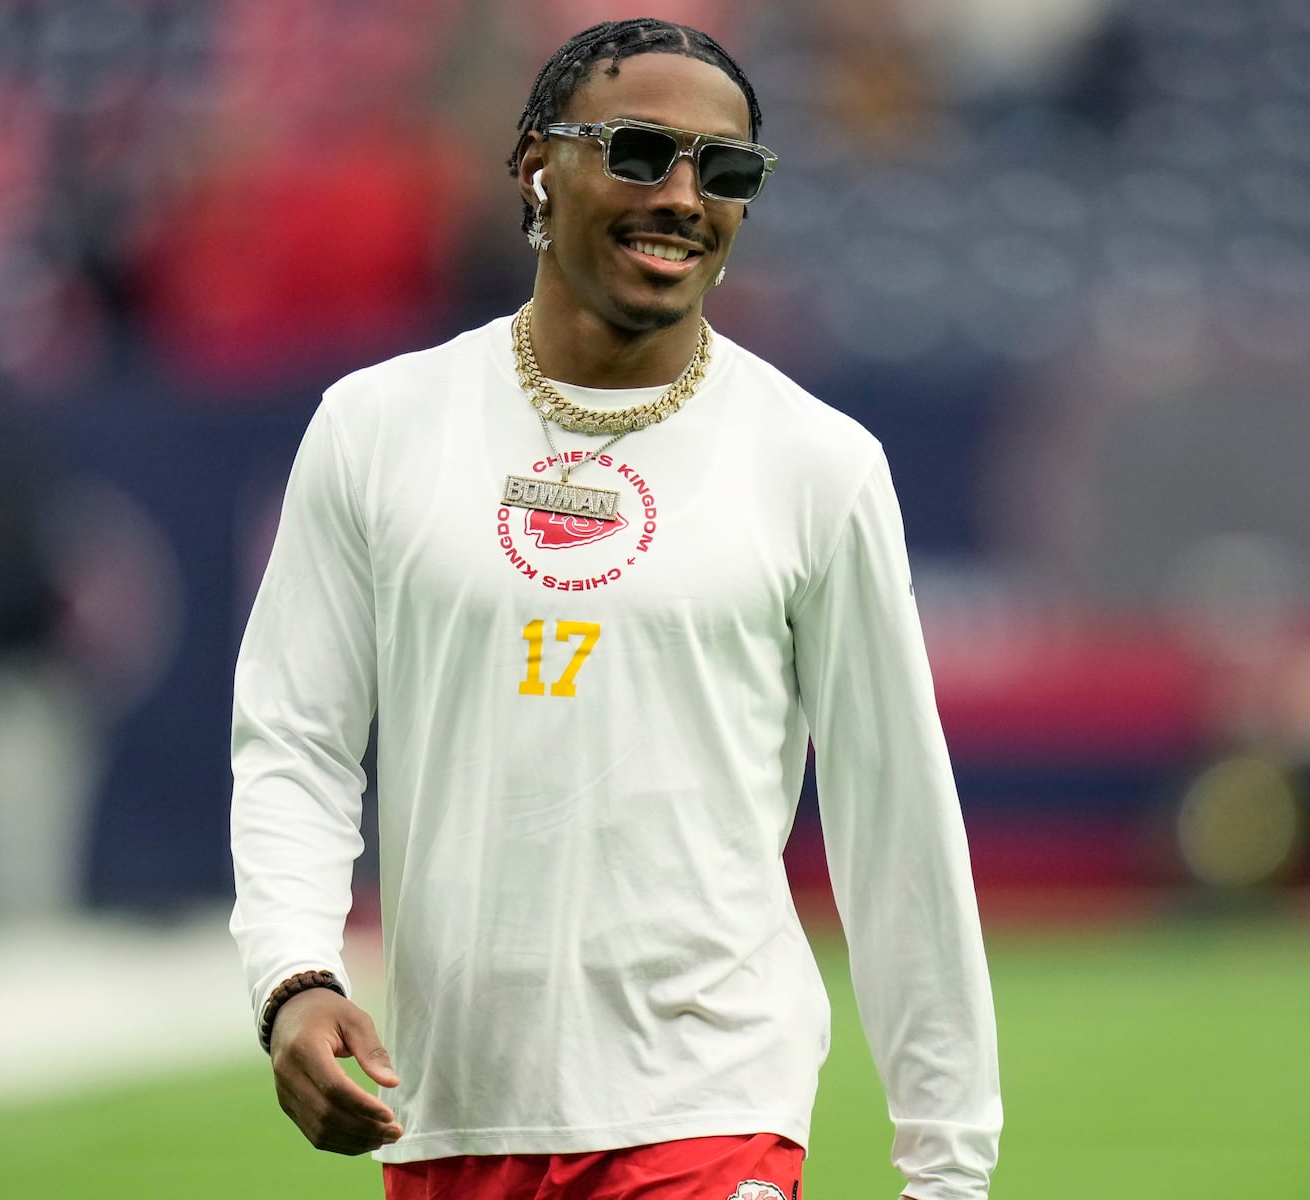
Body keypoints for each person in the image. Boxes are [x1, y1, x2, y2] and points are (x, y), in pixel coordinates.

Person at [230, 17, 1001, 1200]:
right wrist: (292, 972)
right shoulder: (374, 428)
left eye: (728, 172)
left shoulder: (818, 463)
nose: (686, 196)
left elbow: (895, 820)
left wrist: (947, 1169)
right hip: (449, 1124)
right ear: (539, 167)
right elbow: (297, 739)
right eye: (641, 153)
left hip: (709, 1113)